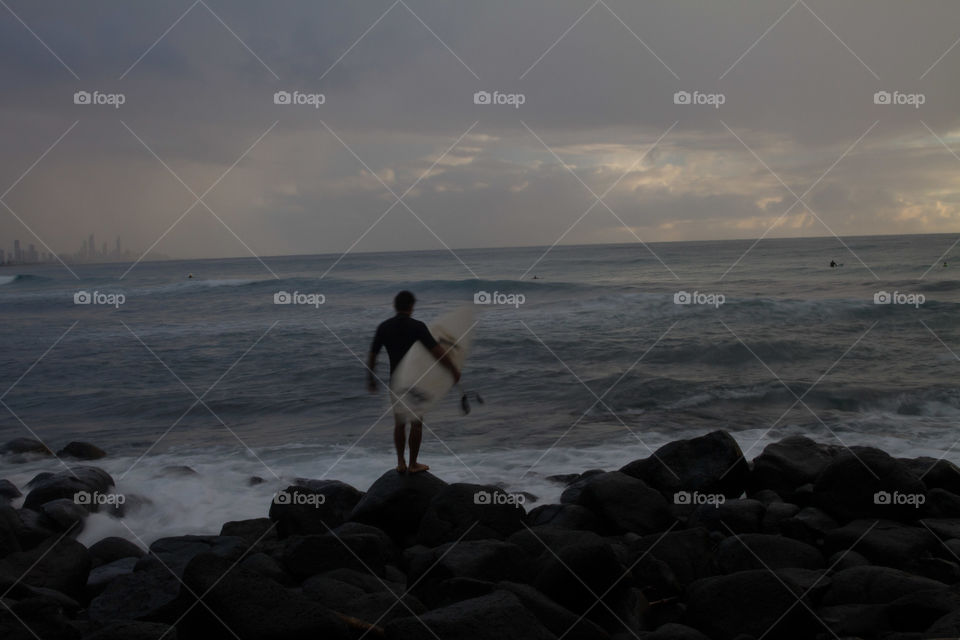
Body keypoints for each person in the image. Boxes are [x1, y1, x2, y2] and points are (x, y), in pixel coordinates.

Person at [367, 291, 461, 474]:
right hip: (415, 381)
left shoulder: (384, 327)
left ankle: (401, 463)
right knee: (416, 423)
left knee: (399, 423)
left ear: (395, 306)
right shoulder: (417, 327)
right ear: (411, 306)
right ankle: (413, 464)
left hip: (395, 381)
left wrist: (371, 377)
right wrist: (453, 370)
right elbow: (437, 352)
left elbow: (373, 355)